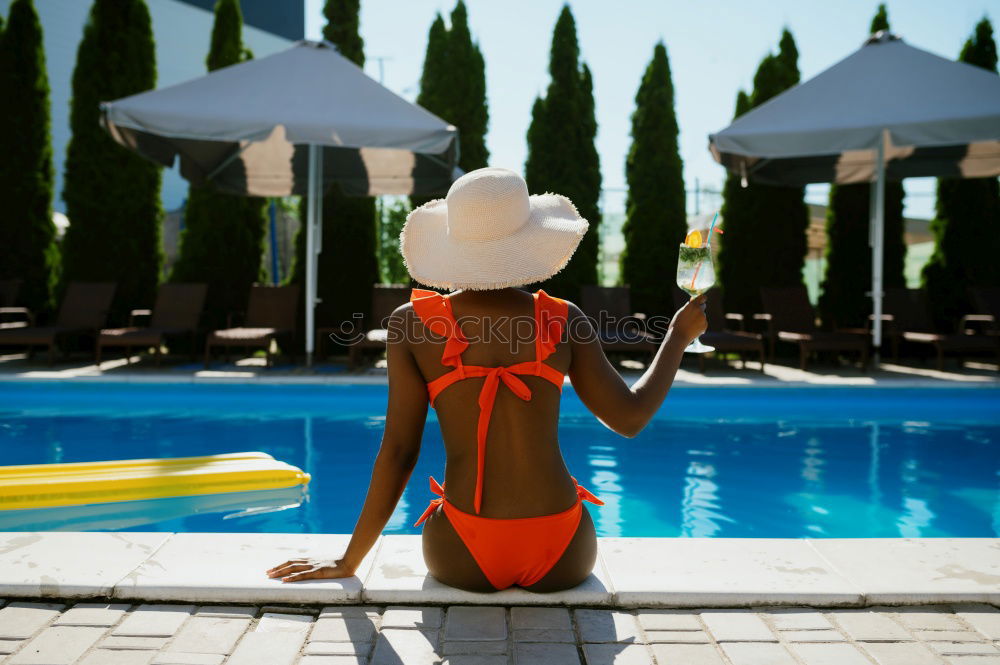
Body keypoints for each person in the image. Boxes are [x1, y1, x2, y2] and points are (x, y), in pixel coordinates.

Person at [267, 167, 706, 592]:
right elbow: (629, 418)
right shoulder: (562, 318)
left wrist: (349, 560)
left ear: (454, 241)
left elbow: (400, 452)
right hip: (564, 547)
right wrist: (678, 337)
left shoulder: (411, 325)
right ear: (529, 239)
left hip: (462, 548)